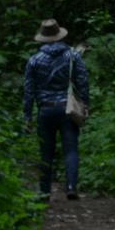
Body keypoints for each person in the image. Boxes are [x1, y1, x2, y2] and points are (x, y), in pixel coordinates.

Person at [23, 19, 90, 200]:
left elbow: (28, 91)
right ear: (59, 35)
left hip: (45, 110)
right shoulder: (72, 56)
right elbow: (82, 82)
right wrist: (85, 104)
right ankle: (70, 186)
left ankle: (44, 192)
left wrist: (27, 116)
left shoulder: (34, 60)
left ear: (43, 38)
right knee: (71, 149)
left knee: (46, 151)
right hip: (67, 109)